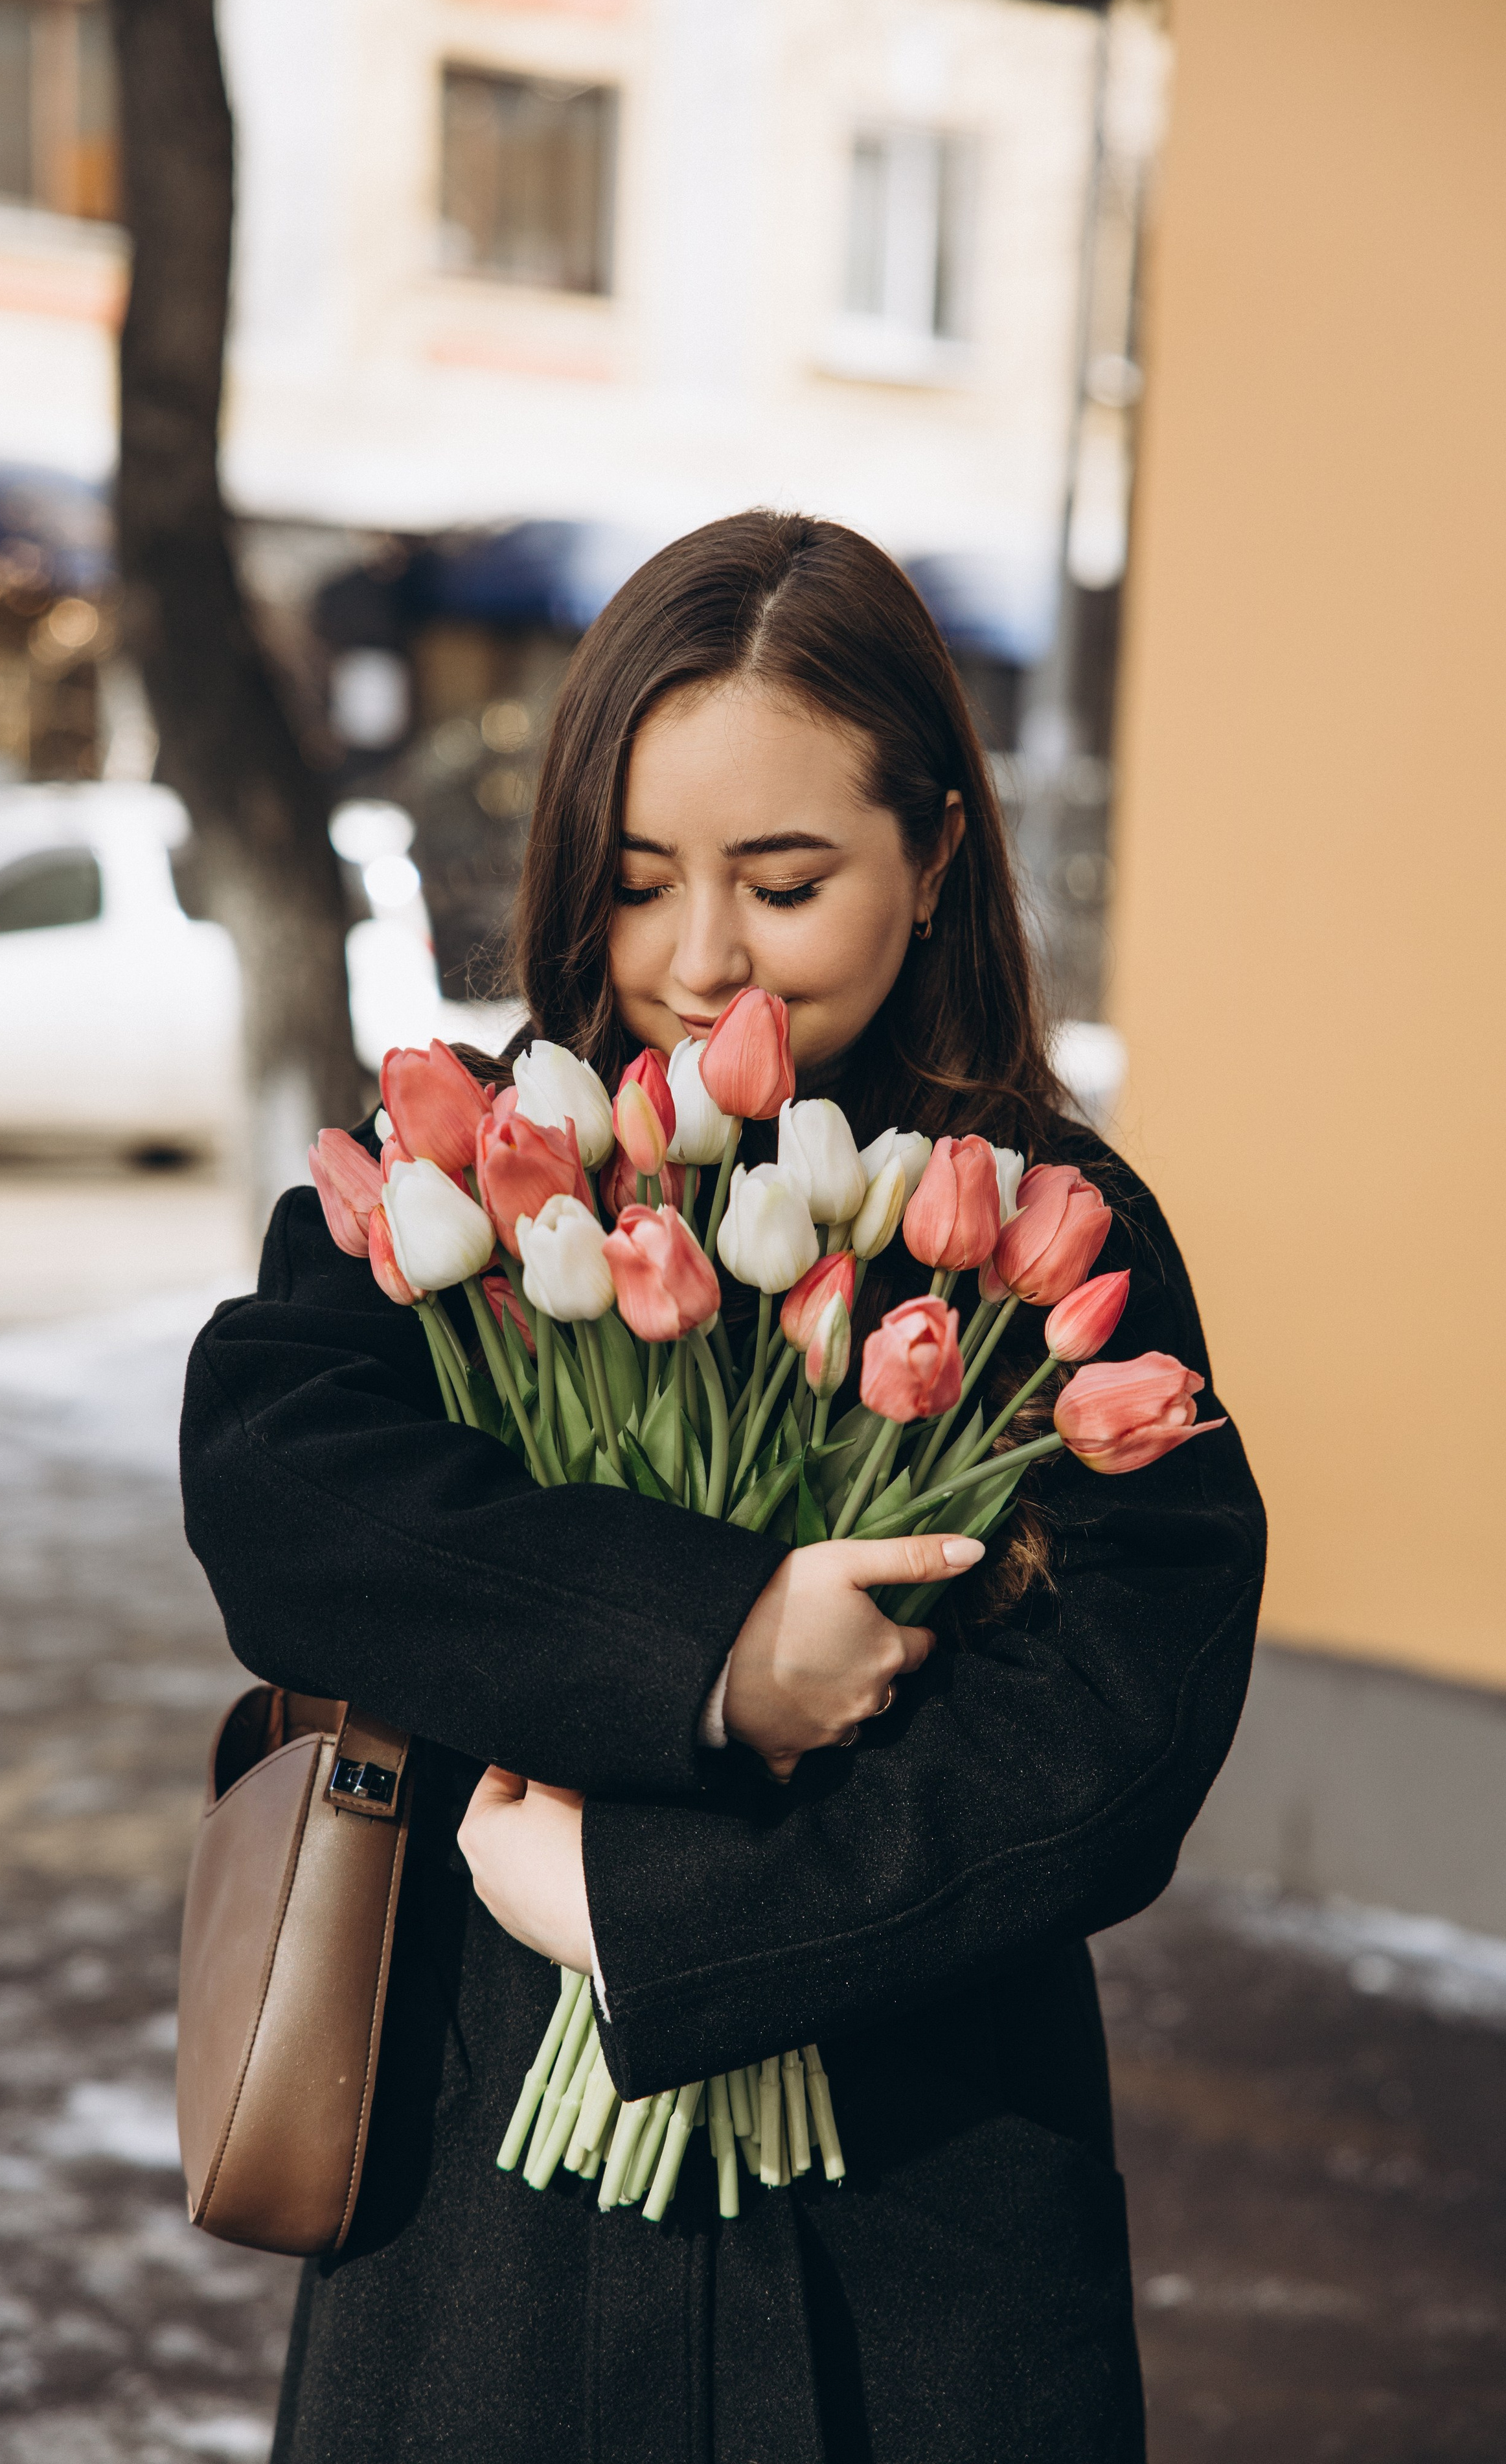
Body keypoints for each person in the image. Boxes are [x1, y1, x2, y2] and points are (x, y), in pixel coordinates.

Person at [180, 511, 1266, 2464]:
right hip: (486, 2231)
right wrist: (719, 1651)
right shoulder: (494, 1161)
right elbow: (279, 1483)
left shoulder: (1035, 1227)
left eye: (784, 885)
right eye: (635, 881)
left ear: (935, 856)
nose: (696, 963)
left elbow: (1117, 1734)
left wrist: (654, 1905)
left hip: (917, 2236)